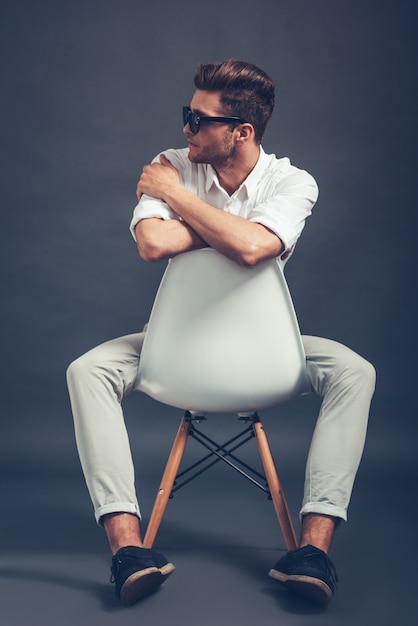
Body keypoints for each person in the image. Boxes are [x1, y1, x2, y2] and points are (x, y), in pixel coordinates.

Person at [66, 59, 375, 609]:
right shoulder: (172, 162)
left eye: (198, 119)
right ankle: (128, 551)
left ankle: (313, 551)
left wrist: (184, 204)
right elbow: (153, 245)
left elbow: (255, 249)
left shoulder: (292, 181)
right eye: (186, 114)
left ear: (242, 131)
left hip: (266, 350)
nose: (185, 127)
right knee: (86, 370)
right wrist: (236, 235)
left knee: (355, 371)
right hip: (173, 346)